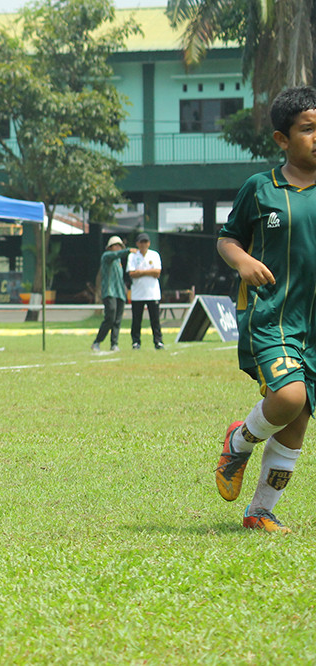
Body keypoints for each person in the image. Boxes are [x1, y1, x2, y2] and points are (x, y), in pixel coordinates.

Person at [214, 86, 316, 534]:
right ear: (282, 139)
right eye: (308, 129)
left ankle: (260, 511)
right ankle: (239, 439)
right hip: (273, 316)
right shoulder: (261, 189)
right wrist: (243, 260)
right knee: (289, 398)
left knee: (296, 423)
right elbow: (226, 237)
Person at [91, 235, 134, 353]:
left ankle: (114, 344)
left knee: (117, 320)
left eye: (120, 246)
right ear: (111, 247)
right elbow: (115, 255)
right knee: (110, 317)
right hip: (110, 292)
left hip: (120, 293)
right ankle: (97, 342)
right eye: (117, 245)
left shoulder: (119, 262)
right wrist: (129, 251)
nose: (119, 248)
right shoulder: (107, 256)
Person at [127, 232, 164, 350]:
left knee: (155, 320)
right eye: (141, 242)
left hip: (152, 293)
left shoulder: (154, 255)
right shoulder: (133, 256)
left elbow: (157, 272)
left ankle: (158, 341)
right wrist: (149, 272)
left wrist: (140, 272)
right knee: (136, 320)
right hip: (138, 294)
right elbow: (132, 273)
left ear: (149, 243)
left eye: (145, 242)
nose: (143, 244)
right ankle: (136, 342)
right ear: (137, 243)